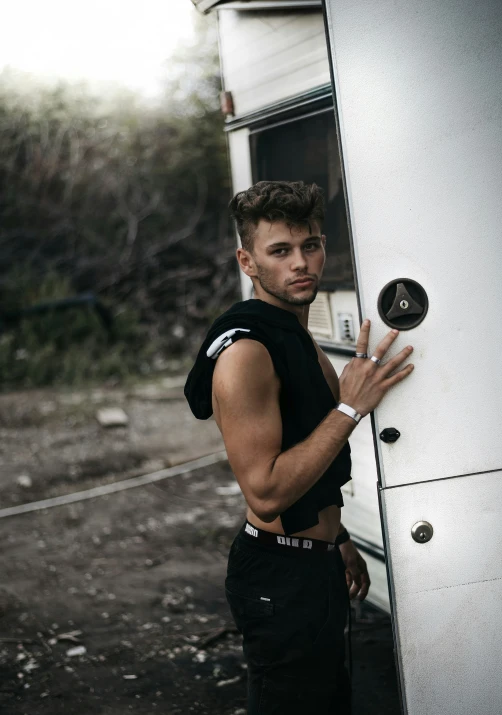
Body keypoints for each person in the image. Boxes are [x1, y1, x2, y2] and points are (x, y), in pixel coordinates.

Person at [184, 180, 415, 714]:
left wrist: (337, 540)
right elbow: (265, 495)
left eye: (310, 245)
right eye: (280, 251)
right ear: (248, 260)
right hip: (278, 576)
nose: (300, 263)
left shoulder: (295, 332)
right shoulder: (247, 353)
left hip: (313, 564)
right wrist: (351, 406)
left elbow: (306, 451)